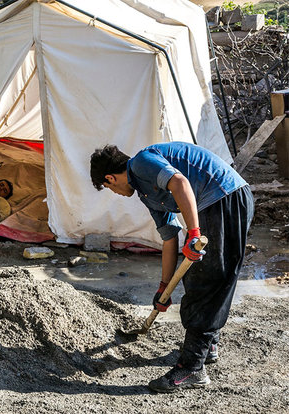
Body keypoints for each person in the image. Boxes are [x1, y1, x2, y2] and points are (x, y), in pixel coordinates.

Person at [90, 142, 254, 393]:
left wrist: (194, 233)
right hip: (218, 202)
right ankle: (207, 346)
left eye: (108, 188)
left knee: (207, 280)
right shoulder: (146, 192)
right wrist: (163, 288)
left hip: (224, 197)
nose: (115, 193)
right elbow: (169, 238)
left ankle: (192, 368)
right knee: (201, 277)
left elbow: (180, 183)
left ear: (110, 178)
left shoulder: (141, 162)